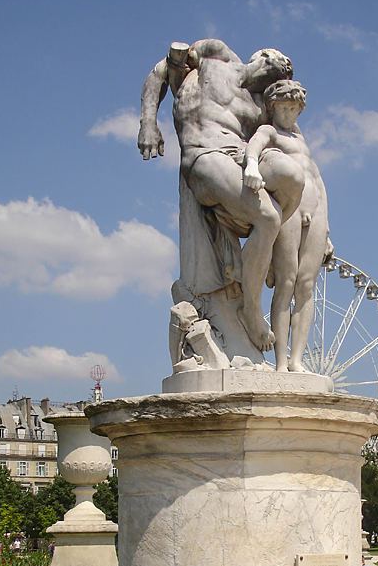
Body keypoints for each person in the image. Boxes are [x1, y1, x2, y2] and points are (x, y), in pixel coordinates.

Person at [138, 40, 304, 353]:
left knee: (294, 176)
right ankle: (252, 311)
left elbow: (294, 145)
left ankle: (262, 258)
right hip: (204, 153)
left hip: (240, 158)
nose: (282, 72)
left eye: (285, 73)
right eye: (281, 64)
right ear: (263, 55)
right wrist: (148, 123)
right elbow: (161, 70)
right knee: (268, 217)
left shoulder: (260, 106)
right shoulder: (216, 54)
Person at [242, 79, 333, 372]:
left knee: (307, 286)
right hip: (289, 208)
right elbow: (252, 149)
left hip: (317, 209)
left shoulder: (300, 138)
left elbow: (317, 179)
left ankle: (297, 360)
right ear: (273, 107)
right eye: (285, 107)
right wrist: (252, 168)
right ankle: (281, 362)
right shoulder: (269, 131)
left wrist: (327, 227)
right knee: (287, 282)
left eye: (295, 108)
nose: (290, 113)